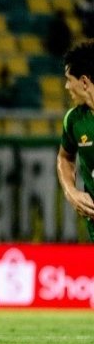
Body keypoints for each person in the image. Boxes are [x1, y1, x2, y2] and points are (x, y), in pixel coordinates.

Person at [56, 40, 94, 240]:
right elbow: (65, 157)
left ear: (85, 82)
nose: (66, 86)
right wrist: (71, 191)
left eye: (69, 79)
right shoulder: (74, 120)